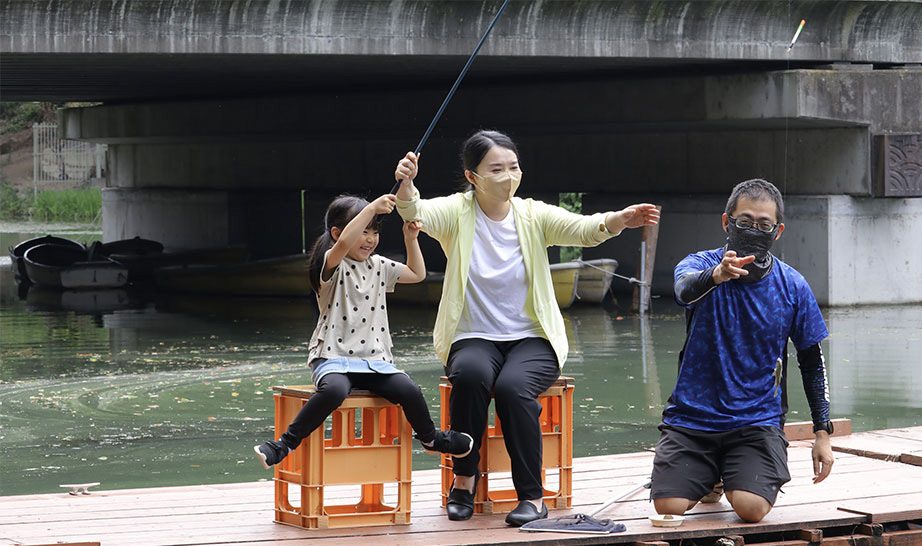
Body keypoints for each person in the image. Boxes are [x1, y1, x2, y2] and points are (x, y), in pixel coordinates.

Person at [393, 130, 660, 525]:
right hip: (473, 336)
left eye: (513, 167)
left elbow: (582, 229)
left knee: (513, 388)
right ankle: (464, 479)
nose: (508, 176)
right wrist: (407, 182)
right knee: (469, 376)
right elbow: (415, 213)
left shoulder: (533, 214)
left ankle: (532, 497)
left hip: (533, 339)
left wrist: (618, 220)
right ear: (472, 177)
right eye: (496, 169)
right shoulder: (455, 213)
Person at [651, 178, 834, 524]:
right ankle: (711, 478)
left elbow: (812, 362)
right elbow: (682, 291)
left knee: (750, 508)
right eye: (745, 222)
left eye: (764, 225)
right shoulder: (698, 264)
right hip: (693, 418)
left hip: (756, 421)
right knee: (668, 506)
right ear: (726, 222)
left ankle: (732, 475)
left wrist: (822, 434)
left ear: (777, 232)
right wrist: (716, 276)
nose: (754, 230)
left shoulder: (792, 285)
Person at [254, 194, 473, 468]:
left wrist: (411, 239)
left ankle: (431, 438)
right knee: (334, 391)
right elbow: (345, 243)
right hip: (333, 356)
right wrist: (371, 208)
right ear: (336, 233)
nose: (369, 239)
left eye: (374, 232)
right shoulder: (331, 264)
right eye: (364, 231)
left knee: (408, 389)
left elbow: (417, 274)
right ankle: (283, 445)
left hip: (374, 360)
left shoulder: (379, 265)